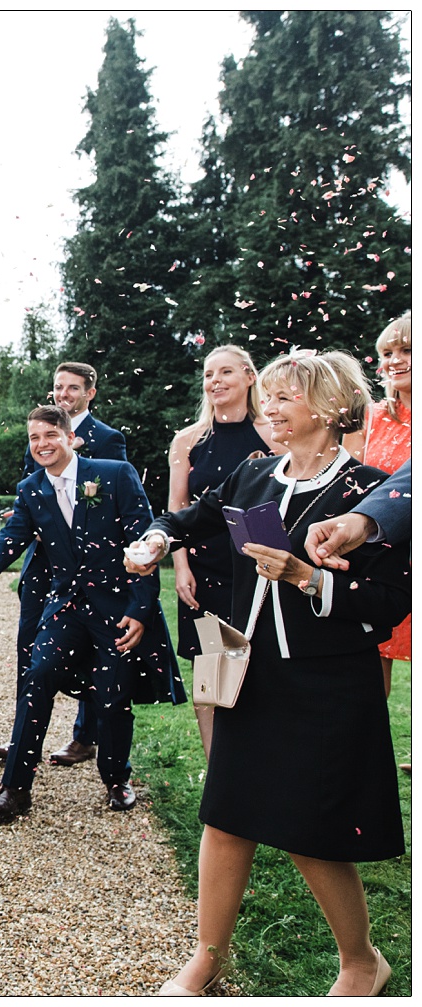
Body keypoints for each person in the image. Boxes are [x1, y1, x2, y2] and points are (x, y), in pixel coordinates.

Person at [126, 350, 405, 997]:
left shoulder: (371, 491)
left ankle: (362, 961)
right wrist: (155, 541)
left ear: (331, 409)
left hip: (325, 682)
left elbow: (390, 604)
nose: (269, 409)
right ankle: (205, 957)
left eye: (284, 398)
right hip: (238, 664)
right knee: (225, 816)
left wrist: (306, 578)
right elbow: (186, 519)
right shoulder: (254, 476)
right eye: (269, 397)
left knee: (310, 833)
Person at [0, 405, 182, 821]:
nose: (41, 444)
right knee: (36, 678)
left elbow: (144, 546)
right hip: (67, 609)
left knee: (112, 695)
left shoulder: (114, 475)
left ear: (70, 437)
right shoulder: (30, 489)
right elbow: (4, 546)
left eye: (49, 435)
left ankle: (116, 778)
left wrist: (141, 609)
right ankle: (15, 787)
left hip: (117, 610)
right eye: (34, 438)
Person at [0, 361, 129, 768]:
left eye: (72, 388)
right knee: (31, 651)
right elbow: (32, 494)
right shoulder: (41, 433)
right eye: (58, 387)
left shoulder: (108, 439)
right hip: (41, 565)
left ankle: (86, 737)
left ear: (90, 393)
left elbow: (109, 501)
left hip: (88, 569)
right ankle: (22, 741)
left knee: (95, 652)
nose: (63, 394)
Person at [164, 346, 281, 754]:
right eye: (209, 374)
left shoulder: (273, 434)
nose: (215, 381)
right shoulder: (188, 440)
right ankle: (218, 771)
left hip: (258, 571)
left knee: (261, 668)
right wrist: (180, 566)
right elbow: (176, 507)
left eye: (226, 372)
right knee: (211, 671)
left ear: (250, 377)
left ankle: (263, 760)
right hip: (204, 569)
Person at [356, 312, 410, 696]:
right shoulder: (373, 417)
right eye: (387, 352)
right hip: (382, 552)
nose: (394, 360)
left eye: (407, 350)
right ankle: (372, 754)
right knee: (374, 663)